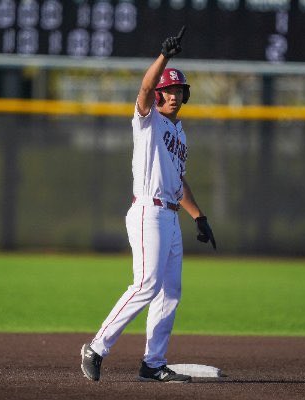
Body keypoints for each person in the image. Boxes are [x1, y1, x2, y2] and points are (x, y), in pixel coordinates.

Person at [81, 26, 216, 383]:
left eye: (178, 91)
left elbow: (179, 179)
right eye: (168, 90)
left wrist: (198, 216)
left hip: (170, 215)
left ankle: (153, 363)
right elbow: (142, 89)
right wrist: (164, 57)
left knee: (170, 292)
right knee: (146, 284)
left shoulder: (180, 133)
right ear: (158, 95)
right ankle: (96, 348)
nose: (173, 95)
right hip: (147, 212)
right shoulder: (148, 121)